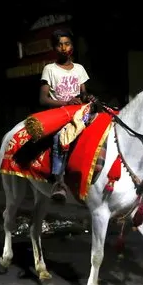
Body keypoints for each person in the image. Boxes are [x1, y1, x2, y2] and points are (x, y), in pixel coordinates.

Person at [39, 28, 90, 201]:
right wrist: (66, 103)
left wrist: (86, 97)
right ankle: (58, 181)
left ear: (72, 47)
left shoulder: (80, 69)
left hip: (79, 113)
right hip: (59, 114)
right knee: (60, 137)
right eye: (59, 45)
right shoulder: (49, 69)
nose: (63, 48)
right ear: (55, 48)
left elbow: (83, 93)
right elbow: (43, 99)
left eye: (66, 44)